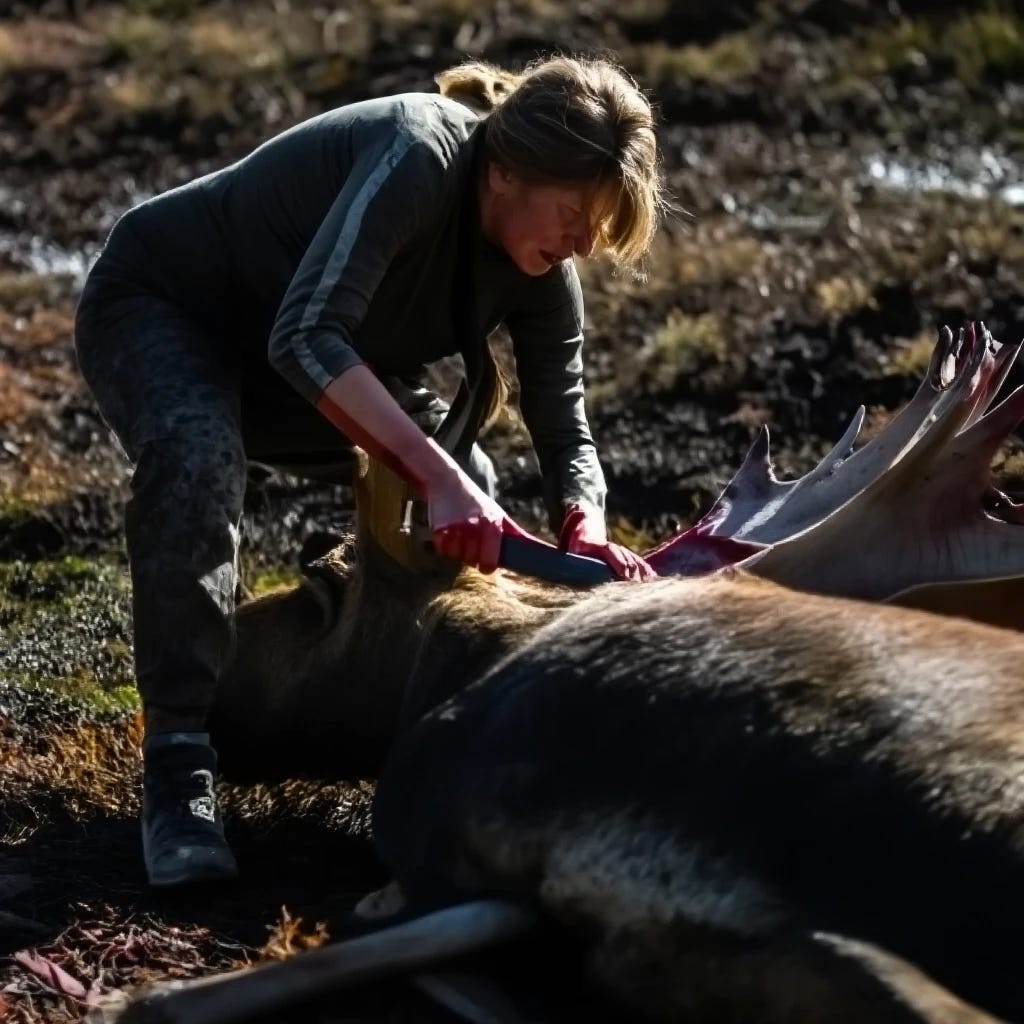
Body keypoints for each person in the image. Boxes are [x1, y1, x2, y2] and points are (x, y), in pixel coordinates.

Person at [74, 54, 668, 888]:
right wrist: (433, 474)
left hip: (304, 369)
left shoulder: (543, 269)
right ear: (504, 172)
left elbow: (565, 422)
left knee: (475, 486)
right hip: (168, 311)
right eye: (574, 213)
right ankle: (179, 759)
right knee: (199, 457)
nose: (581, 243)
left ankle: (391, 716)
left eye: (596, 227)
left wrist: (586, 529)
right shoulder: (416, 153)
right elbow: (305, 337)